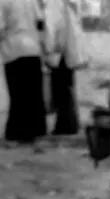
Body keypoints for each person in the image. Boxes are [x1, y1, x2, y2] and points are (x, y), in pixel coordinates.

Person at [0, 0, 47, 144]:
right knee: (34, 94)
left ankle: (15, 133)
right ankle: (35, 132)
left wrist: (1, 46)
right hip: (32, 49)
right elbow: (40, 22)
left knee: (17, 94)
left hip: (13, 49)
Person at [42, 0, 87, 135]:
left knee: (61, 90)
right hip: (70, 48)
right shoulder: (69, 3)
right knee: (68, 88)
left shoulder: (53, 3)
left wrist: (48, 49)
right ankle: (71, 123)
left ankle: (65, 125)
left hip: (59, 51)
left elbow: (52, 27)